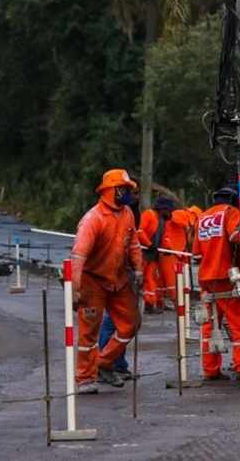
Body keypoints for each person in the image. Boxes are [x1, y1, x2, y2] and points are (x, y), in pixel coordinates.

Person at [70, 168, 145, 392]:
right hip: (93, 281)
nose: (129, 193)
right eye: (125, 189)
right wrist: (75, 288)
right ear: (112, 190)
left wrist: (139, 269)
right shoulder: (93, 219)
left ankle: (103, 362)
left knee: (131, 324)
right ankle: (85, 378)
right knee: (88, 332)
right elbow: (79, 255)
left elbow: (133, 243)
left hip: (119, 279)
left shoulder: (127, 214)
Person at [195, 185, 240, 379]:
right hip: (226, 277)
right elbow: (236, 236)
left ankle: (210, 370)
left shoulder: (202, 217)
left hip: (206, 278)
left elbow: (196, 252)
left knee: (210, 325)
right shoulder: (231, 212)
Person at [139, 194, 179, 312]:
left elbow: (165, 237)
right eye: (169, 210)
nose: (170, 213)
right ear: (162, 209)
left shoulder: (162, 221)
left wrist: (168, 249)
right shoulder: (148, 215)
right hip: (142, 252)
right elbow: (140, 232)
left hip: (152, 254)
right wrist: (149, 244)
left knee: (150, 278)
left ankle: (150, 303)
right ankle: (131, 303)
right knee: (138, 278)